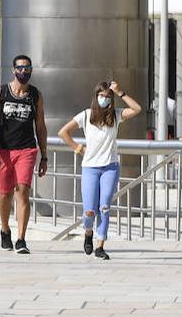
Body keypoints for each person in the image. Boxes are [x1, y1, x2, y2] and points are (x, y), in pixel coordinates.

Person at [58, 80, 142, 259]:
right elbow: (63, 132)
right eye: (102, 96)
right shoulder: (86, 115)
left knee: (104, 207)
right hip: (90, 167)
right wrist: (78, 148)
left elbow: (137, 109)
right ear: (96, 97)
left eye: (108, 97)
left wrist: (120, 92)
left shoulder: (116, 115)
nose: (105, 99)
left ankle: (100, 245)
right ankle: (88, 231)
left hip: (110, 167)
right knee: (89, 210)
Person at [0, 54, 48, 255]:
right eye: (20, 68)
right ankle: (5, 229)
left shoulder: (35, 95)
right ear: (13, 70)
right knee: (5, 193)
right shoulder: (3, 92)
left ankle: (21, 239)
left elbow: (40, 126)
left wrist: (44, 155)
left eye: (27, 68)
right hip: (4, 150)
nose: (23, 72)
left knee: (22, 190)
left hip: (26, 149)